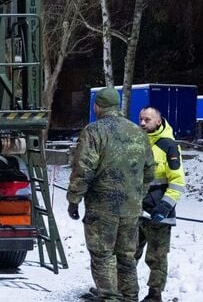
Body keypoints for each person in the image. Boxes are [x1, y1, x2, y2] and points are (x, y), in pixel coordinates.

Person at [68, 87, 155, 302]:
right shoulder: (138, 132)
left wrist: (74, 199)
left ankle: (110, 298)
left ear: (97, 106)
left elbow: (84, 169)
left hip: (102, 208)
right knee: (126, 257)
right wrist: (138, 195)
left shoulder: (94, 131)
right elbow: (150, 169)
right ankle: (130, 297)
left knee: (103, 255)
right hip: (131, 208)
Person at [135, 107, 186, 302]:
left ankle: (154, 296)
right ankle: (123, 292)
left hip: (159, 213)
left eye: (147, 120)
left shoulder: (169, 146)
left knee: (156, 258)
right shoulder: (137, 143)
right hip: (136, 211)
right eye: (140, 119)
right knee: (127, 254)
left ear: (158, 122)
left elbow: (178, 182)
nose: (142, 123)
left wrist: (164, 207)